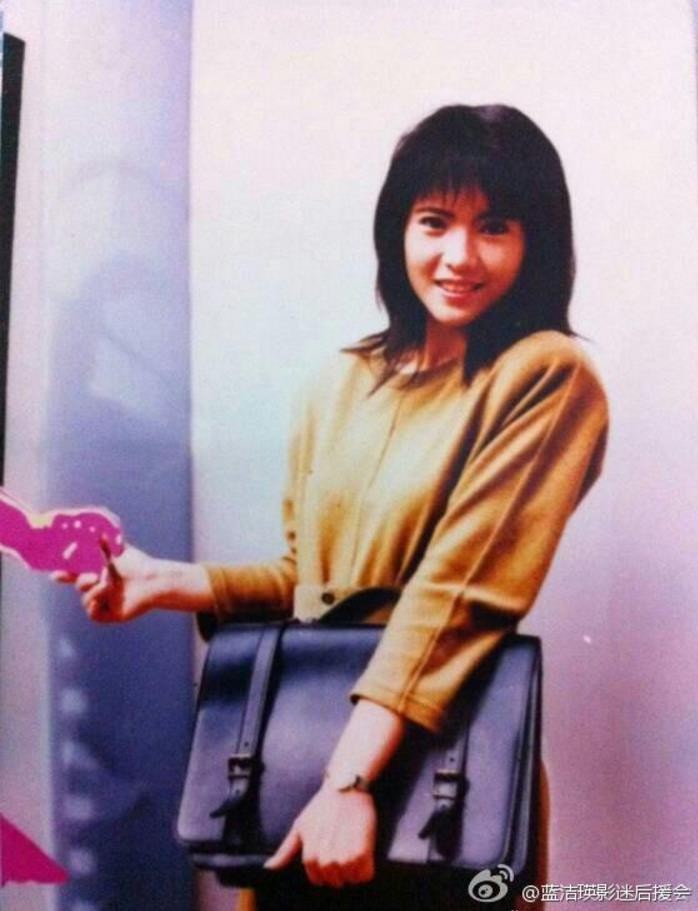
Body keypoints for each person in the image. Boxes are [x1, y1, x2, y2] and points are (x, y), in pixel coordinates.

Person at [54, 104, 609, 910]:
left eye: (495, 227)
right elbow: (314, 581)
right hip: (304, 771)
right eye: (435, 221)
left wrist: (351, 781)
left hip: (439, 779)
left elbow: (456, 597)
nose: (460, 255)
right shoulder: (342, 381)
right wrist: (165, 581)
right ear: (398, 230)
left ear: (536, 243)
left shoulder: (547, 375)